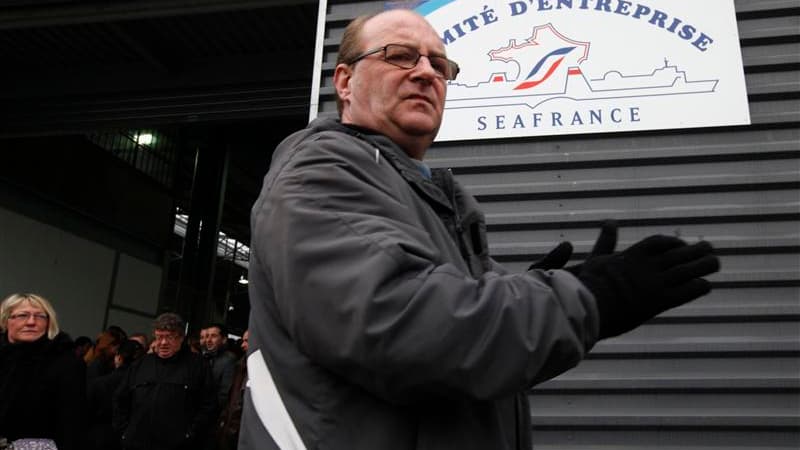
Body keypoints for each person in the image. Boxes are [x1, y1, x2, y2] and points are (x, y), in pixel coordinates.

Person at [239, 8, 720, 450]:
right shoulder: (321, 172)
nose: (426, 72)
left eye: (440, 65)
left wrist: (531, 293)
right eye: (400, 56)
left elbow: (462, 353)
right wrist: (589, 296)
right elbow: (404, 327)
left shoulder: (425, 194)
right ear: (345, 81)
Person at [113, 313, 217, 450]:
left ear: (181, 338)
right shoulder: (141, 365)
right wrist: (125, 434)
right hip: (137, 443)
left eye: (169, 337)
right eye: (159, 337)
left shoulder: (198, 366)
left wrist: (189, 435)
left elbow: (209, 406)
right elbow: (120, 400)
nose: (163, 343)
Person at [0, 293, 87, 450]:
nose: (32, 322)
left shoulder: (65, 363)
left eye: (40, 316)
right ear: (6, 321)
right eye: (22, 315)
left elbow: (72, 424)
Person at [87, 339, 145, 450]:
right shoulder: (141, 386)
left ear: (118, 357)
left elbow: (87, 411)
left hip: (98, 435)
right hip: (128, 437)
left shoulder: (99, 383)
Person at [215, 329, 249, 450]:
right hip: (230, 430)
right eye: (243, 341)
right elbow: (232, 400)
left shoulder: (263, 371)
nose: (243, 345)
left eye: (247, 341)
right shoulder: (240, 366)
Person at [200, 323, 238, 406]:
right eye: (207, 336)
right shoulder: (203, 356)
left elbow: (224, 394)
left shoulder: (229, 360)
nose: (208, 340)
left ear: (224, 339)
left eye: (213, 336)